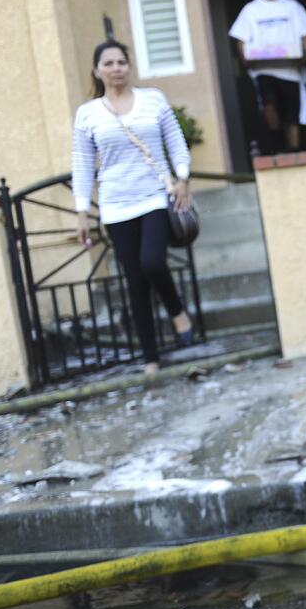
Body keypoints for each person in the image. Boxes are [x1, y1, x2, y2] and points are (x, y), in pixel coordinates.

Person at [72, 41, 194, 375]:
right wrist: (82, 210)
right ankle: (151, 358)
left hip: (155, 196)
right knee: (135, 282)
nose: (116, 68)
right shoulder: (88, 114)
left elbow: (176, 142)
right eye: (108, 63)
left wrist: (182, 177)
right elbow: (82, 164)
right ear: (97, 70)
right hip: (115, 206)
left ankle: (176, 309)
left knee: (152, 262)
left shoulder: (152, 99)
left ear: (129, 66)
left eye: (121, 62)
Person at [229, 0, 306, 152]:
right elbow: (240, 38)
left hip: (290, 70)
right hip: (264, 70)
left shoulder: (292, 7)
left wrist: (304, 57)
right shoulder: (251, 9)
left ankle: (294, 150)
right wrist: (244, 59)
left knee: (293, 112)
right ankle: (278, 145)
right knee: (270, 105)